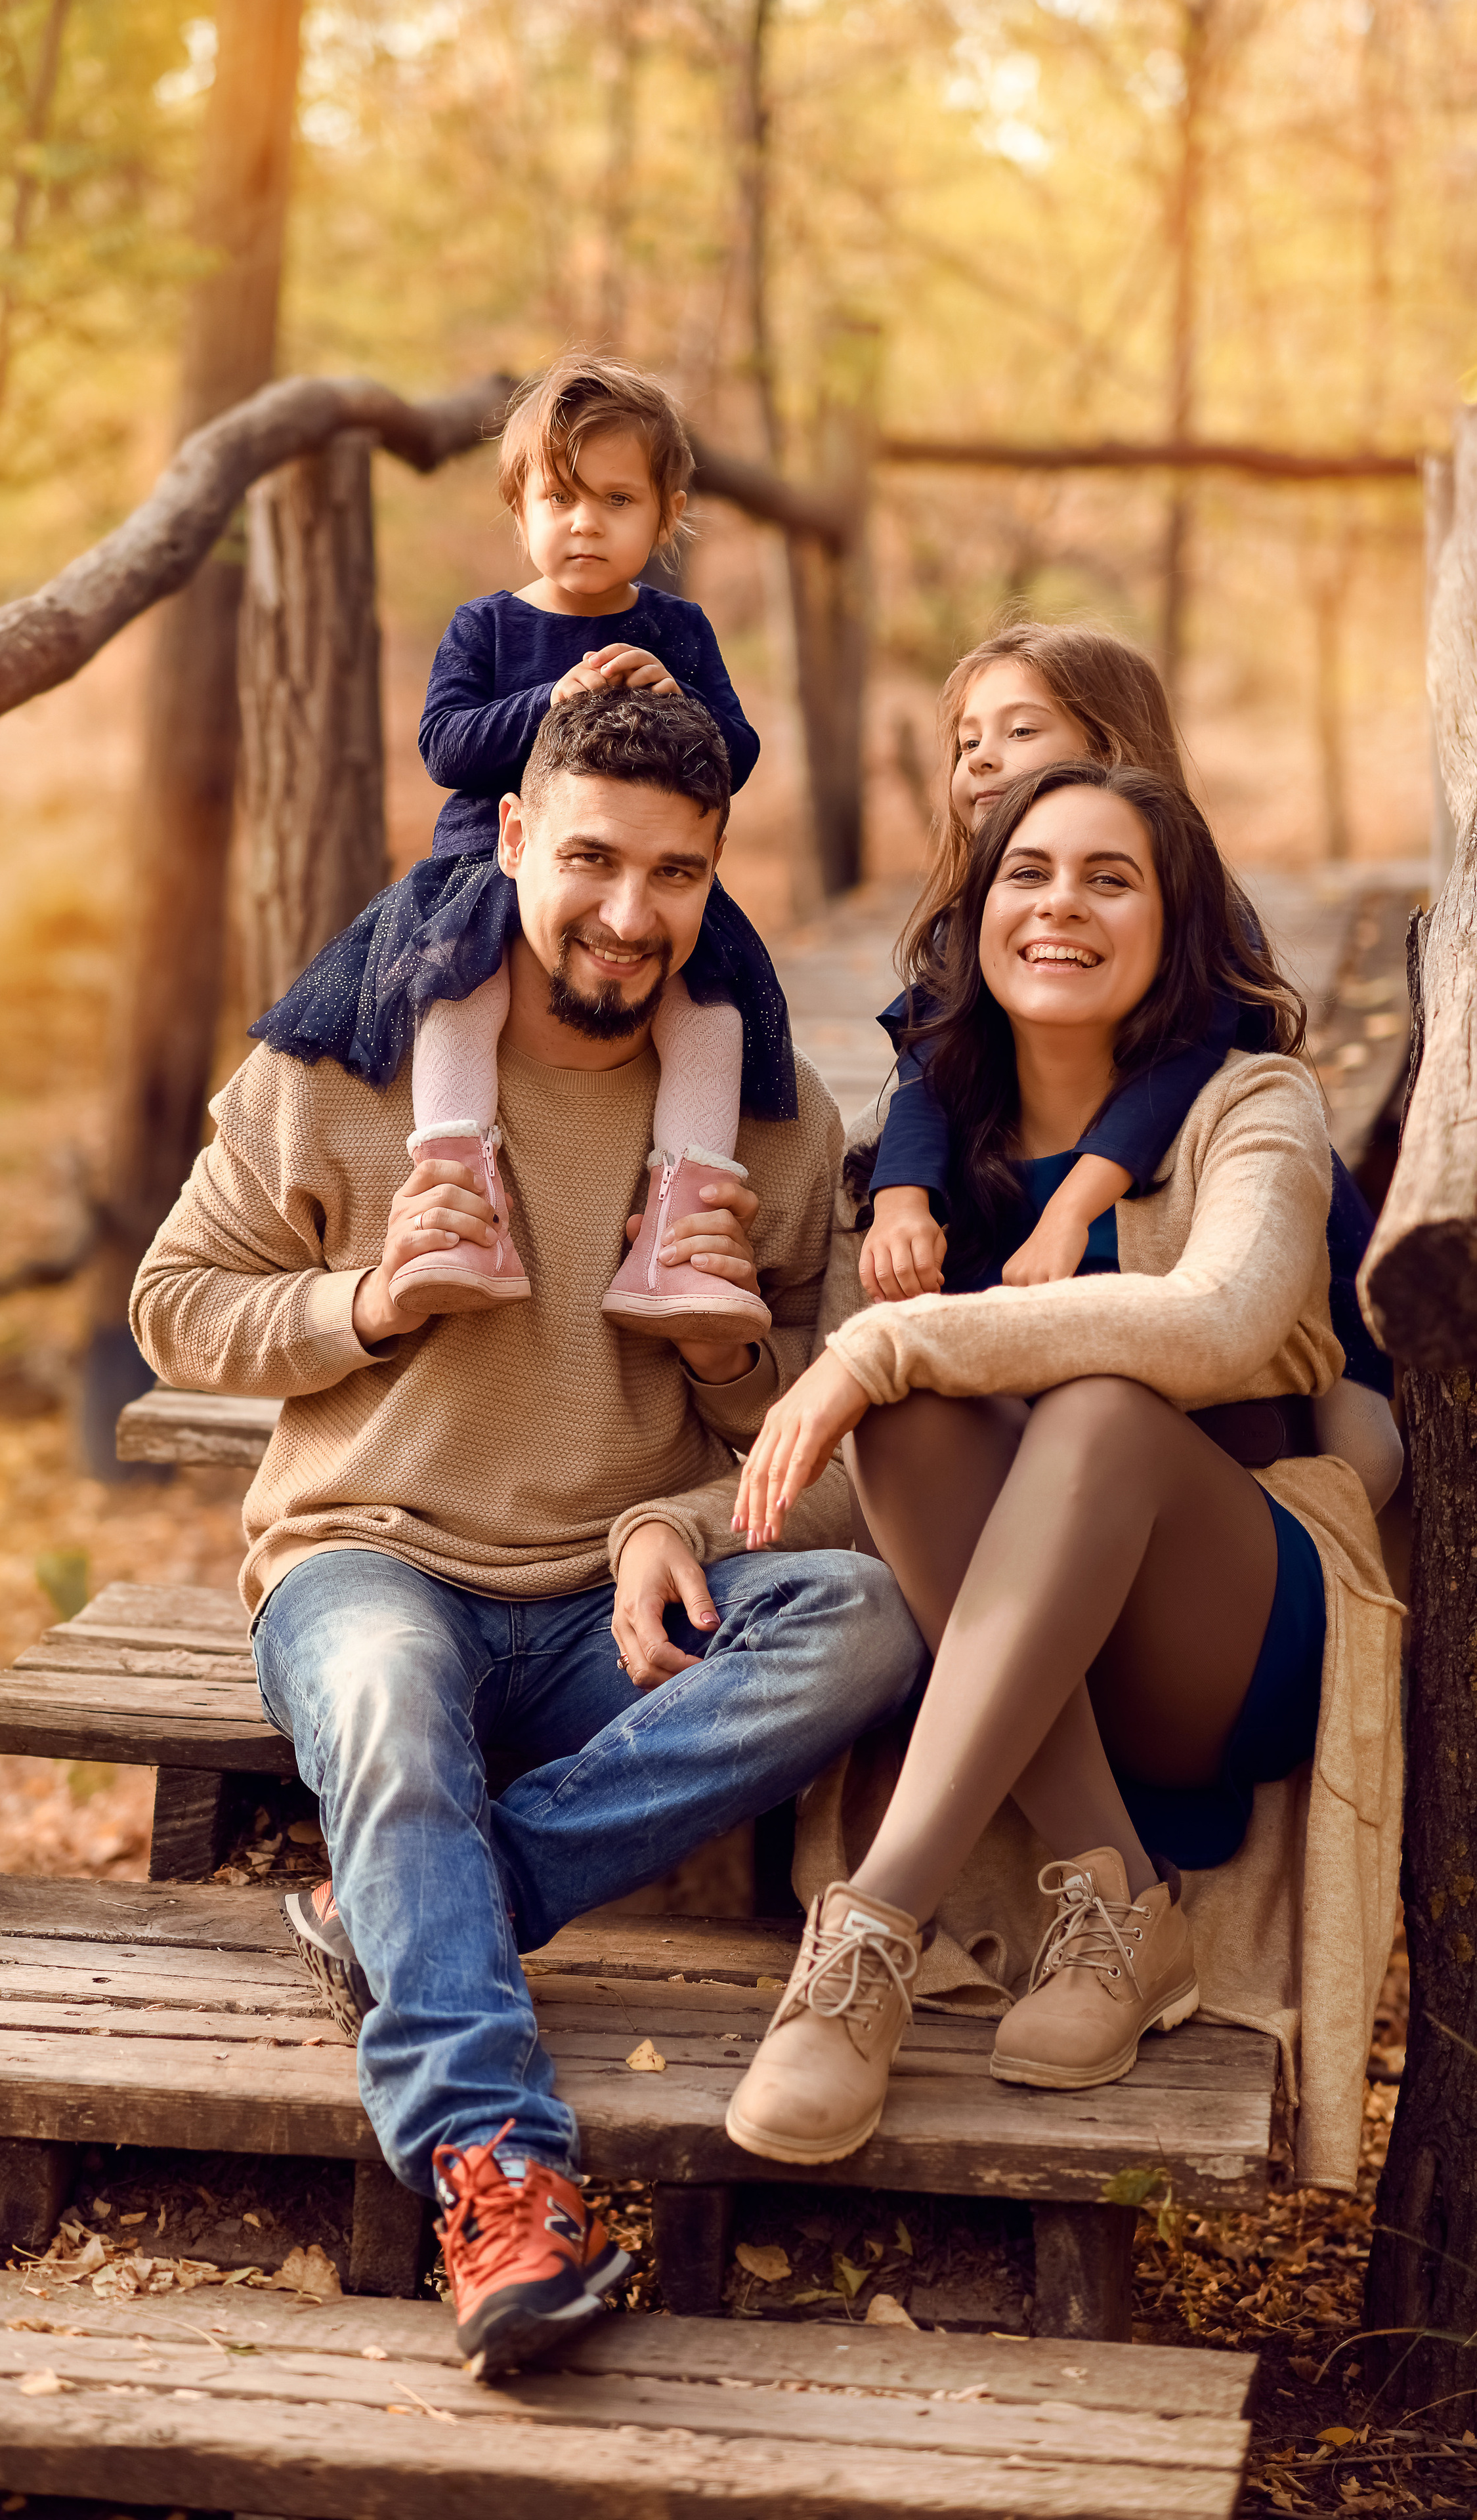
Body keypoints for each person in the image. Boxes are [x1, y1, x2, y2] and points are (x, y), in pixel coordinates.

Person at [131, 687, 921, 2371]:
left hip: (602, 1613)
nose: (629, 916)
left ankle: (405, 1913)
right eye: (590, 861)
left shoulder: (768, 1124)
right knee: (393, 1716)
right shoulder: (339, 1063)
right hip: (368, 1564)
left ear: (716, 880)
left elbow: (822, 1429)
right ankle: (499, 2177)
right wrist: (364, 1299)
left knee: (862, 1617)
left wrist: (706, 1426)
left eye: (676, 875)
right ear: (509, 841)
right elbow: (174, 1306)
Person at [718, 757, 1398, 2166]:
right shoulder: (920, 1153)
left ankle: (869, 1935)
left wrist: (887, 1349)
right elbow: (863, 1434)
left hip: (1224, 1612)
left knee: (1088, 1403)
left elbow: (1217, 1325)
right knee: (905, 1405)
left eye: (1109, 879)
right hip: (1023, 1627)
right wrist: (671, 1520)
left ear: (1173, 924)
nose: (1059, 907)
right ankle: (1113, 1908)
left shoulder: (1248, 1104)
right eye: (1026, 874)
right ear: (976, 914)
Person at [249, 351, 792, 1351]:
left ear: (664, 518)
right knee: (464, 992)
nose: (585, 523)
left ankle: (680, 1222)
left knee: (710, 1016)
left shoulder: (677, 630)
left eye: (617, 500)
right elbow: (444, 744)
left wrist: (680, 699)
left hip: (626, 879)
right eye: (560, 498)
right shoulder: (489, 627)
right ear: (521, 509)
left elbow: (738, 757)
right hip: (480, 870)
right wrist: (552, 701)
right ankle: (460, 1194)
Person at [859, 623, 1399, 1512]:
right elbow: (931, 1065)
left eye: (1020, 732)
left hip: (1246, 1193)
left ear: (1107, 749)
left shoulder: (1193, 912)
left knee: (1362, 1453)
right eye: (967, 743)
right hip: (1071, 1199)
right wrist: (902, 1200)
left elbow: (1173, 1073)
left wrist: (1071, 1208)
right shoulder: (973, 926)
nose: (985, 759)